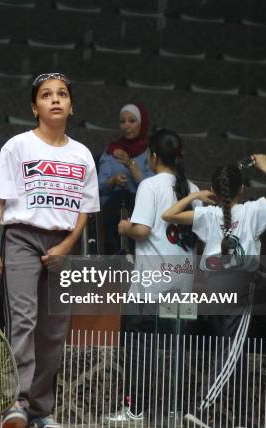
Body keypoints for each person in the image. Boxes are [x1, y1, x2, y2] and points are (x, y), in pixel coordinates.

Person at [0, 72, 99, 428]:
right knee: (25, 321)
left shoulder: (82, 155)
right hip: (21, 239)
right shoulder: (18, 147)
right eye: (46, 95)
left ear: (72, 106)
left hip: (62, 246)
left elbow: (84, 211)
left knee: (54, 331)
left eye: (62, 94)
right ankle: (17, 402)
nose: (56, 99)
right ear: (35, 107)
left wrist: (65, 246)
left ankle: (40, 411)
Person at [162, 154, 266, 427]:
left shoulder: (207, 214)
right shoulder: (253, 210)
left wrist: (196, 196)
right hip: (239, 284)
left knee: (233, 350)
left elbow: (169, 215)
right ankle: (200, 407)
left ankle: (243, 416)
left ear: (215, 188)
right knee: (232, 351)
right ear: (242, 189)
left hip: (213, 286)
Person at [107, 129, 201, 424]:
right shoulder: (193, 189)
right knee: (177, 354)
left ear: (154, 156)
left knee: (139, 351)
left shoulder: (150, 186)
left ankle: (135, 410)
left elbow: (143, 230)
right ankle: (175, 412)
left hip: (150, 287)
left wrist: (125, 227)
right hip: (182, 286)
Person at [97, 103, 154, 254]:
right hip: (112, 207)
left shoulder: (151, 152)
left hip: (141, 206)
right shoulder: (112, 150)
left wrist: (130, 164)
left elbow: (153, 186)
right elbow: (98, 186)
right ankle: (114, 256)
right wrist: (113, 181)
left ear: (141, 124)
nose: (126, 126)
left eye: (132, 121)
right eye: (122, 121)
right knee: (119, 199)